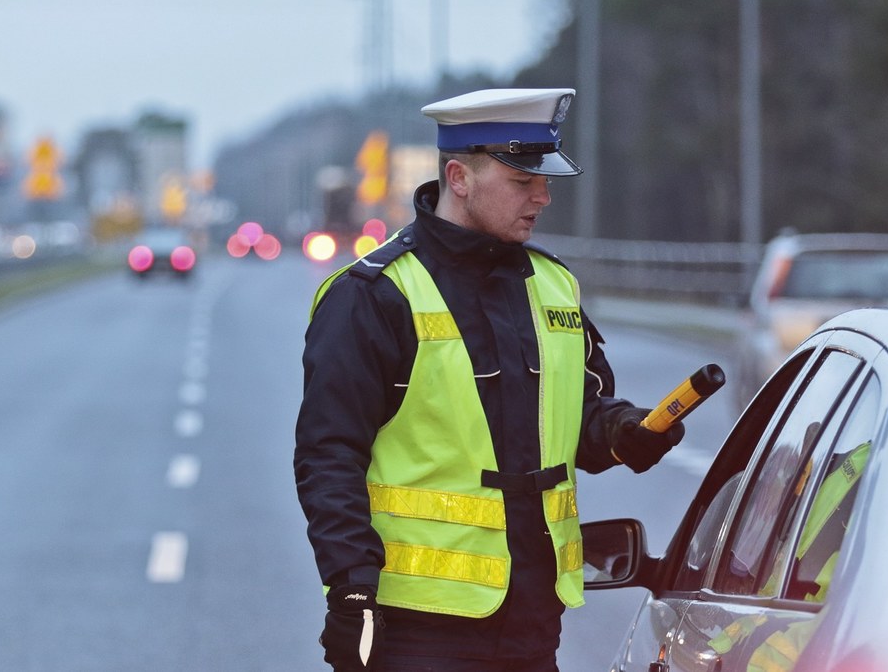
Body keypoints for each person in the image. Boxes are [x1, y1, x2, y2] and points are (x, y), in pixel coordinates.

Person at [293, 88, 687, 672]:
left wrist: (625, 431)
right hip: (419, 629)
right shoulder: (373, 295)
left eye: (546, 180)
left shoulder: (554, 285)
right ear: (459, 177)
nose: (543, 197)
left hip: (535, 620)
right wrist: (352, 593)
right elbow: (329, 457)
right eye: (522, 182)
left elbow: (577, 414)